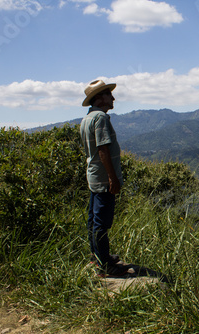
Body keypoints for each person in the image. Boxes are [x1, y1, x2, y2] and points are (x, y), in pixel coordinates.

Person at [80, 79, 128, 276]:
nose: (113, 98)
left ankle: (98, 257)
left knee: (93, 219)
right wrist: (112, 178)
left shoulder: (87, 118)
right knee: (101, 222)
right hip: (102, 179)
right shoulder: (101, 118)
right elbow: (102, 150)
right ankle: (105, 266)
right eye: (109, 94)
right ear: (99, 98)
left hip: (93, 177)